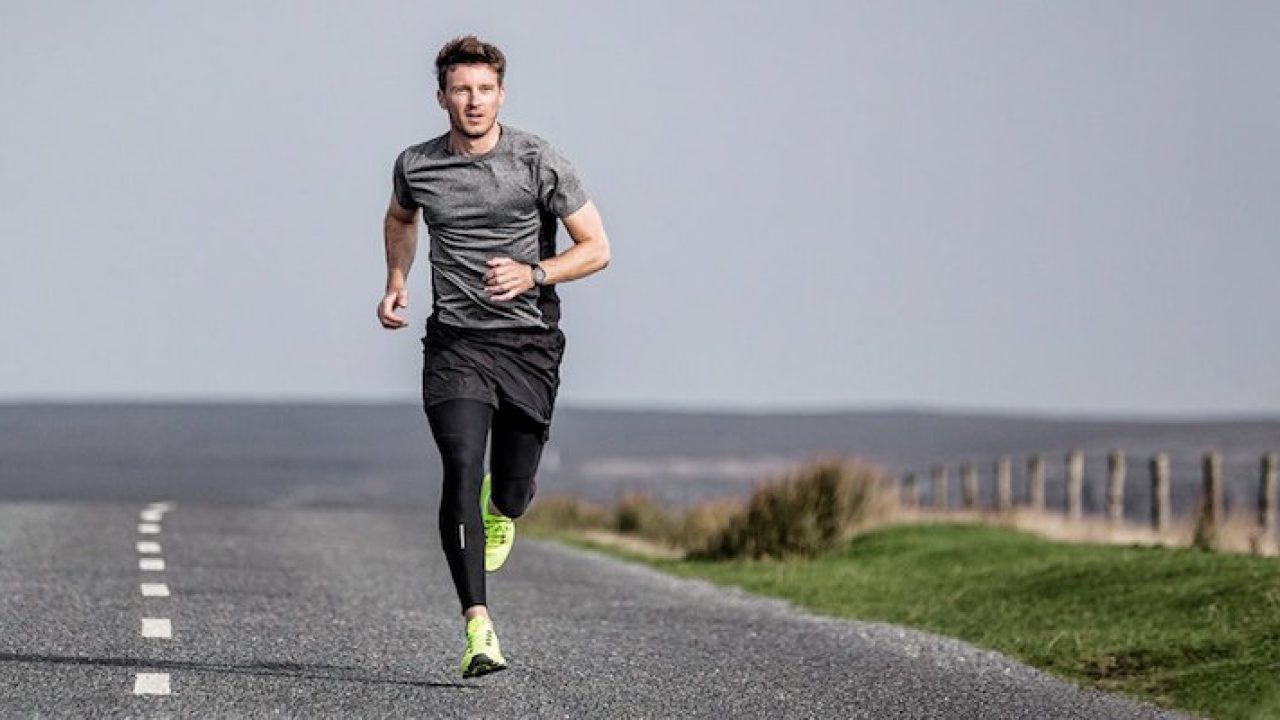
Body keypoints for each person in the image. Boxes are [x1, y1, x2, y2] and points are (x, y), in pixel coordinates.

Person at [377, 35, 610, 678]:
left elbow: (597, 248)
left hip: (528, 343)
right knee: (459, 465)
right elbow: (401, 218)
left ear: (501, 94)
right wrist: (396, 279)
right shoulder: (417, 165)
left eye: (484, 89)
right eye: (461, 90)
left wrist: (535, 273)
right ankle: (477, 626)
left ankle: (503, 509)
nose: (473, 101)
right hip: (456, 342)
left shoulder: (538, 161)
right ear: (442, 97)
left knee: (509, 486)